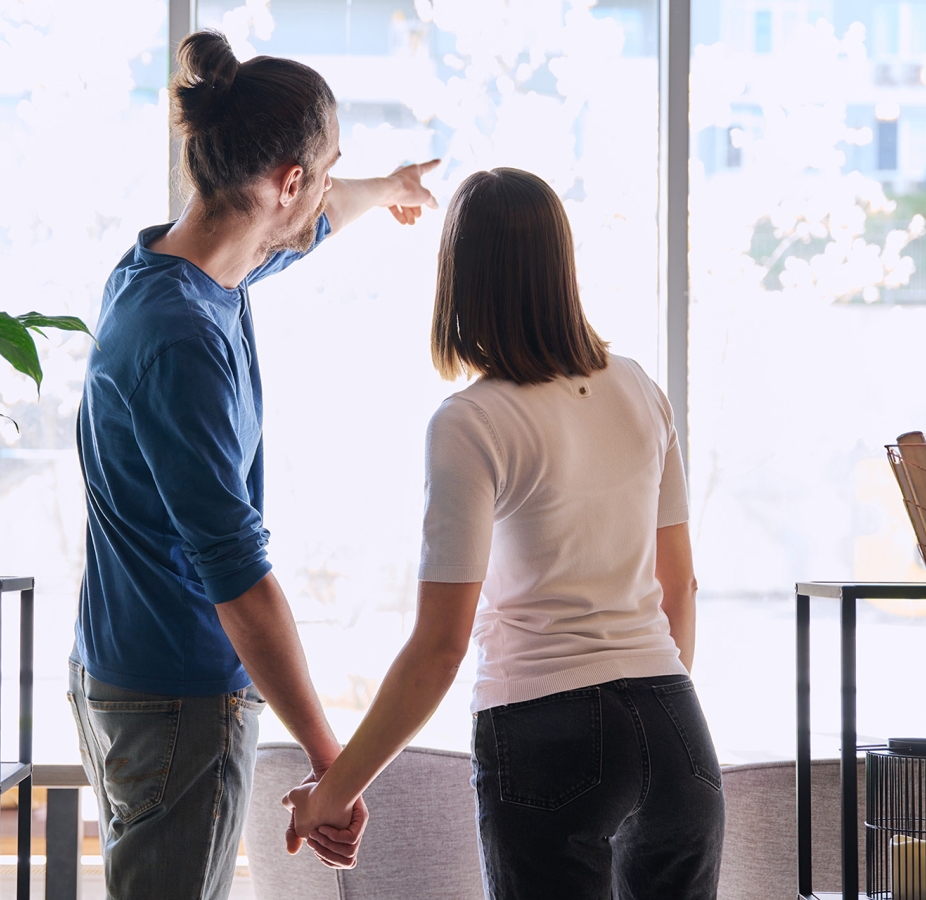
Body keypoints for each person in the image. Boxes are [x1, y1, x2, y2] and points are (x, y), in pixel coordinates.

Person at [283, 168, 726, 899]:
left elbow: (440, 647)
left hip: (548, 734)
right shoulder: (641, 389)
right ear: (561, 266)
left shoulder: (471, 423)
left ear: (461, 279)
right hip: (677, 731)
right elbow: (679, 587)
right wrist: (646, 714)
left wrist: (334, 793)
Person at [68, 29, 438, 899]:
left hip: (128, 672)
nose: (328, 192)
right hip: (177, 696)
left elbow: (317, 214)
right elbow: (242, 584)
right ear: (284, 184)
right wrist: (331, 765)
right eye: (328, 169)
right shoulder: (182, 341)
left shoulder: (177, 271)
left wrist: (386, 190)